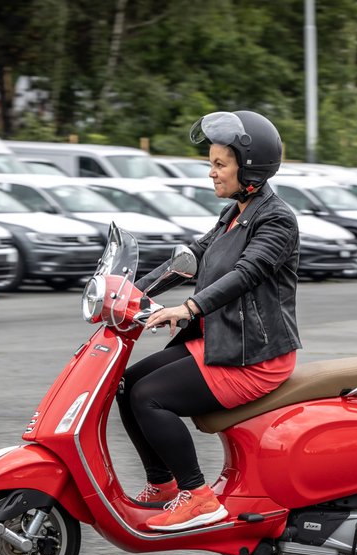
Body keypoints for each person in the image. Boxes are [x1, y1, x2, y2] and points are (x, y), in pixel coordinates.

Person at [116, 110, 301, 532]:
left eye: (220, 165)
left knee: (150, 397)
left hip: (253, 354)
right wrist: (131, 293)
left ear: (248, 168)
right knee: (126, 386)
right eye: (211, 164)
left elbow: (247, 273)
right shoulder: (236, 211)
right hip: (222, 340)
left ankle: (198, 497)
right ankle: (163, 484)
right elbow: (191, 259)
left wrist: (190, 308)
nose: (212, 174)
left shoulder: (276, 218)